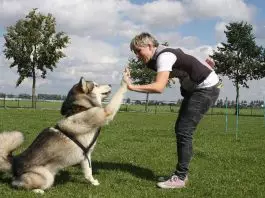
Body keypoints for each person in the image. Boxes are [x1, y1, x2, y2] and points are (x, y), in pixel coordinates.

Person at [123, 32, 221, 189]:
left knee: (184, 130)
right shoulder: (159, 56)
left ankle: (180, 178)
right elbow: (185, 53)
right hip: (197, 88)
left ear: (149, 46)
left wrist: (131, 86)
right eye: (134, 52)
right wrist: (205, 62)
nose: (137, 56)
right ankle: (180, 174)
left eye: (138, 51)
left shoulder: (164, 56)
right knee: (181, 129)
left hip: (205, 89)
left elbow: (159, 87)